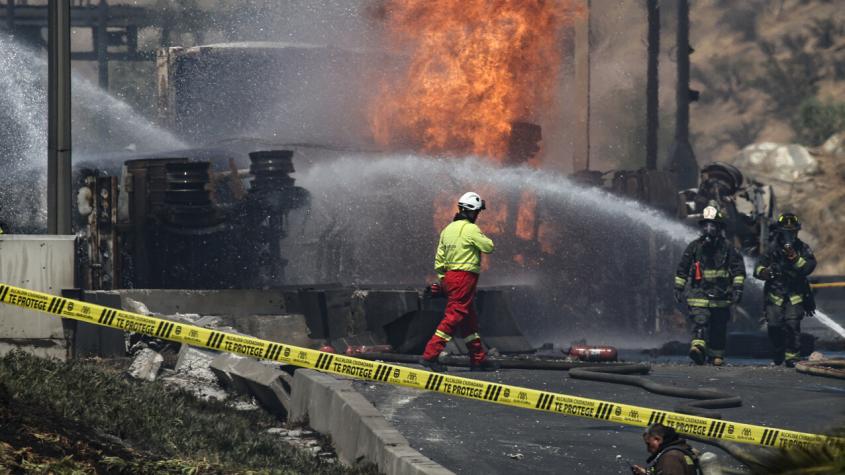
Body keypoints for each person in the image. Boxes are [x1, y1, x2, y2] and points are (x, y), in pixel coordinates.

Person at [421, 192, 498, 372]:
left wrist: (444, 281)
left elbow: (439, 260)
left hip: (449, 277)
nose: (478, 215)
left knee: (468, 319)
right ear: (472, 212)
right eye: (478, 212)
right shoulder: (470, 229)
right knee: (454, 316)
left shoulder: (447, 230)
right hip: (464, 278)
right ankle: (430, 356)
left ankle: (478, 359)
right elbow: (489, 247)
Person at [673, 202, 746, 366]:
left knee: (719, 327)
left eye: (712, 225)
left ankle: (716, 355)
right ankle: (697, 349)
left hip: (721, 295)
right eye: (706, 225)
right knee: (700, 320)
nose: (709, 229)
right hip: (699, 294)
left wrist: (738, 289)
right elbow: (682, 268)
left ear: (719, 227)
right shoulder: (694, 247)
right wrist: (679, 287)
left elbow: (738, 270)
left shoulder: (728, 248)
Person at [754, 213, 816, 367]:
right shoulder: (772, 249)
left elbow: (809, 267)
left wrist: (795, 258)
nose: (790, 235)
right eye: (786, 232)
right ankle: (778, 350)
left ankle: (792, 357)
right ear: (780, 232)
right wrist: (765, 272)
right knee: (774, 325)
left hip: (794, 295)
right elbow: (757, 269)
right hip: (775, 295)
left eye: (793, 232)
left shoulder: (802, 248)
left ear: (797, 232)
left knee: (793, 325)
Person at [632, 423, 701, 475]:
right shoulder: (680, 451)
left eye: (648, 444)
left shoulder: (671, 457)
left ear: (657, 439)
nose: (648, 449)